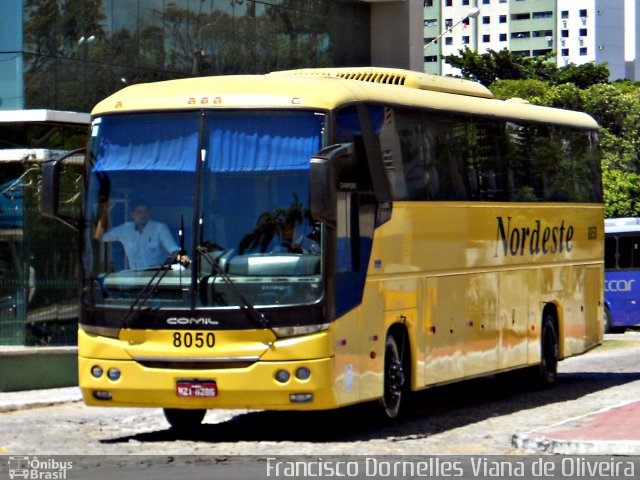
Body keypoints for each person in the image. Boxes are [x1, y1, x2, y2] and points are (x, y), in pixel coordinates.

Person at [95, 200, 187, 270]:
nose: (143, 215)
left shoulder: (160, 228)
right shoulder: (125, 229)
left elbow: (173, 249)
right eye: (139, 212)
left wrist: (182, 257)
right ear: (132, 214)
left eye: (145, 212)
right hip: (135, 281)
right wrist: (104, 213)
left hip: (157, 279)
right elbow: (100, 237)